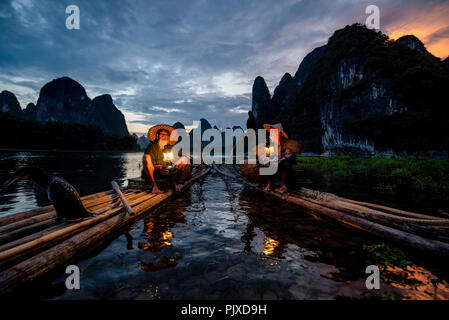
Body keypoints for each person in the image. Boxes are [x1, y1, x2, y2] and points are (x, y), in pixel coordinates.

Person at [142, 124, 189, 194]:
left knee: (184, 159)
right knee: (146, 157)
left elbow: (171, 161)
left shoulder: (168, 148)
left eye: (167, 135)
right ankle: (154, 186)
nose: (164, 136)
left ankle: (174, 183)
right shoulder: (152, 147)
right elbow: (150, 165)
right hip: (155, 173)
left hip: (166, 171)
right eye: (162, 134)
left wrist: (173, 167)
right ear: (157, 136)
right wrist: (160, 168)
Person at [258, 123, 298, 193]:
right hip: (273, 163)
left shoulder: (286, 144)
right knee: (261, 165)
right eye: (272, 132)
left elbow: (292, 156)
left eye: (275, 132)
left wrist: (283, 159)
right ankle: (269, 183)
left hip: (281, 163)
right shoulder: (269, 143)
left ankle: (283, 183)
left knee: (286, 165)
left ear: (279, 133)